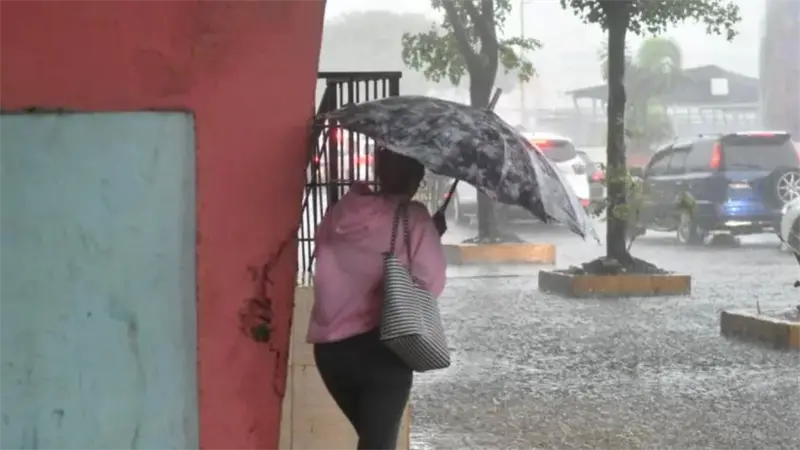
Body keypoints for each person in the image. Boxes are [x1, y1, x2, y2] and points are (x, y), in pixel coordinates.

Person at [307, 149, 448, 450]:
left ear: (380, 172)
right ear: (416, 177)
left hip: (331, 353)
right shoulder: (414, 217)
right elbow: (429, 285)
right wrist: (432, 236)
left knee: (373, 441)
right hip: (384, 351)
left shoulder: (340, 213)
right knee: (379, 444)